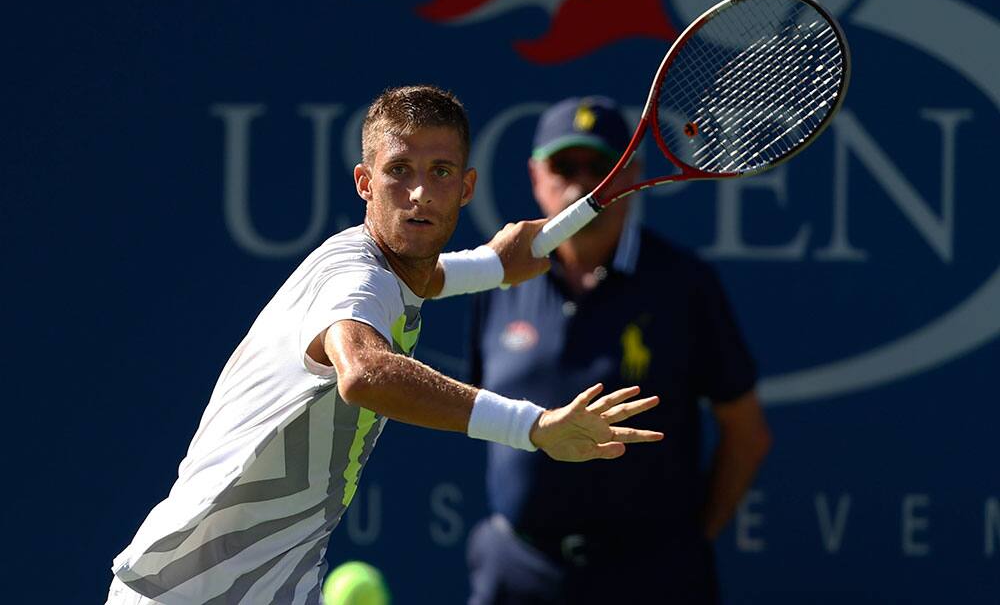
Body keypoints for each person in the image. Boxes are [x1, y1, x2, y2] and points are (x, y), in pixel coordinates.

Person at [106, 86, 663, 605]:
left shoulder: (383, 270)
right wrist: (532, 427)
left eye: (440, 172)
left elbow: (422, 276)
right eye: (399, 171)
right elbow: (365, 374)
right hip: (184, 592)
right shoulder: (352, 279)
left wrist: (491, 266)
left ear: (466, 188)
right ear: (364, 182)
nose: (419, 193)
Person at [466, 96, 772, 604]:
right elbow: (475, 408)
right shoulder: (495, 282)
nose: (583, 183)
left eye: (601, 166)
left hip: (654, 579)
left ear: (631, 176)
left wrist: (685, 547)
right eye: (565, 166)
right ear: (536, 176)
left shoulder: (685, 285)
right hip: (517, 574)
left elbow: (747, 433)